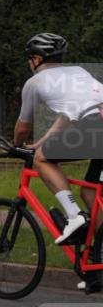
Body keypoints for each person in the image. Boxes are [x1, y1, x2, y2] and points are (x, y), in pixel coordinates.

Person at [14, 33, 103, 254]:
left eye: (30, 58)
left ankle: (74, 216)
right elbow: (67, 116)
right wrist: (42, 142)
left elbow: (23, 127)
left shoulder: (34, 83)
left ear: (36, 59)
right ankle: (98, 260)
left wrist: (18, 145)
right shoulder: (78, 73)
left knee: (41, 159)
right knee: (91, 194)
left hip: (97, 125)